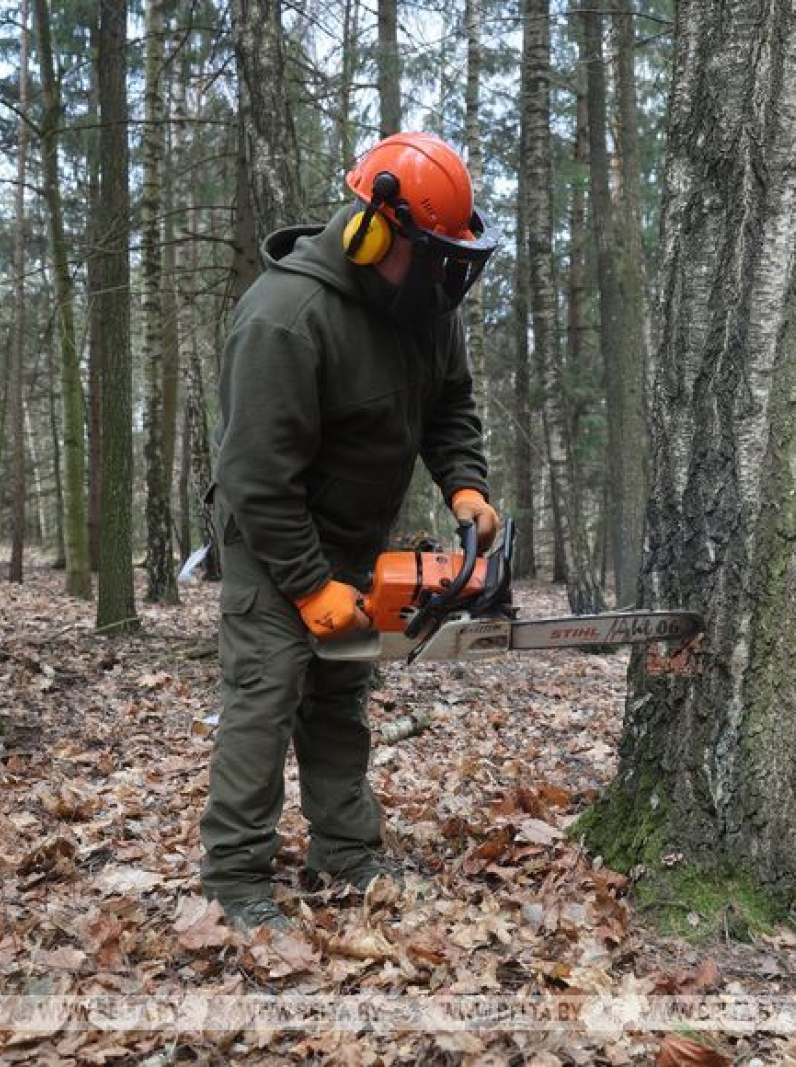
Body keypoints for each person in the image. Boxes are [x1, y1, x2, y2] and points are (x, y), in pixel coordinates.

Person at [201, 132, 502, 932]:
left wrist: (464, 482)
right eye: (432, 256)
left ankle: (344, 849)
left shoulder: (425, 308)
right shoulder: (285, 319)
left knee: (339, 696)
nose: (444, 276)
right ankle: (235, 879)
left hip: (356, 537)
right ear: (375, 232)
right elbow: (255, 477)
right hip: (272, 540)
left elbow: (450, 405)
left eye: (452, 259)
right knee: (267, 695)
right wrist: (307, 585)